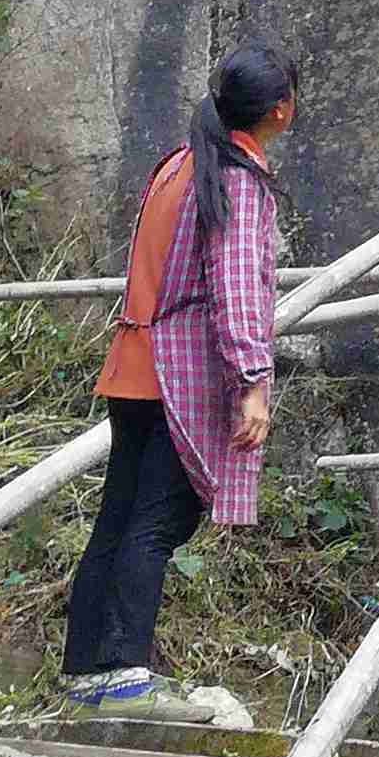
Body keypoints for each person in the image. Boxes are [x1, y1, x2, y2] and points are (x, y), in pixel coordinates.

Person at [63, 37, 297, 712]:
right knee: (158, 524)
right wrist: (253, 382)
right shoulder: (236, 180)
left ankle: (86, 673)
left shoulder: (179, 166)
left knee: (119, 518)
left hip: (132, 370)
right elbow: (237, 288)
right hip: (180, 375)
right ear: (280, 111)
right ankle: (124, 672)